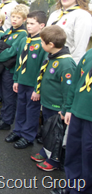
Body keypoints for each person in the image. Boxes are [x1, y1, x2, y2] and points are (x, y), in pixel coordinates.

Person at [30, 25, 76, 172]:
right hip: (48, 104)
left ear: (50, 44)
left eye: (42, 42)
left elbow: (68, 90)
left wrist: (65, 109)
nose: (40, 44)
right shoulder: (53, 57)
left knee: (57, 134)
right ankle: (46, 150)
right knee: (48, 130)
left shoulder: (66, 64)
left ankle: (54, 160)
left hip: (57, 107)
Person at [5, 11, 48, 149]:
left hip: (33, 84)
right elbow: (19, 62)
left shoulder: (43, 44)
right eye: (27, 23)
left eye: (32, 24)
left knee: (32, 111)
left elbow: (43, 68)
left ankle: (28, 136)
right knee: (21, 107)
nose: (28, 26)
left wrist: (38, 88)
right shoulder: (25, 40)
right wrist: (16, 79)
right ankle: (18, 130)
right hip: (22, 81)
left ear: (42, 25)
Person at [52, 48, 92, 194]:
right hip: (78, 112)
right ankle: (72, 185)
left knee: (89, 156)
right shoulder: (89, 53)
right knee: (73, 152)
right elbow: (75, 83)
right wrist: (68, 108)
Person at [0, 4, 29, 130]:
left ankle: (7, 121)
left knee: (9, 95)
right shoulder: (10, 30)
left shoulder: (22, 34)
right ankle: (3, 114)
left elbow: (12, 51)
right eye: (13, 16)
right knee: (3, 93)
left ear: (24, 20)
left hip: (10, 68)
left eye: (18, 17)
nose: (14, 19)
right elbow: (1, 43)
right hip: (2, 67)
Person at [47, 0, 92, 64]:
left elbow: (80, 47)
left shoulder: (82, 16)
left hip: (67, 62)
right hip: (50, 60)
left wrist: (72, 67)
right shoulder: (55, 15)